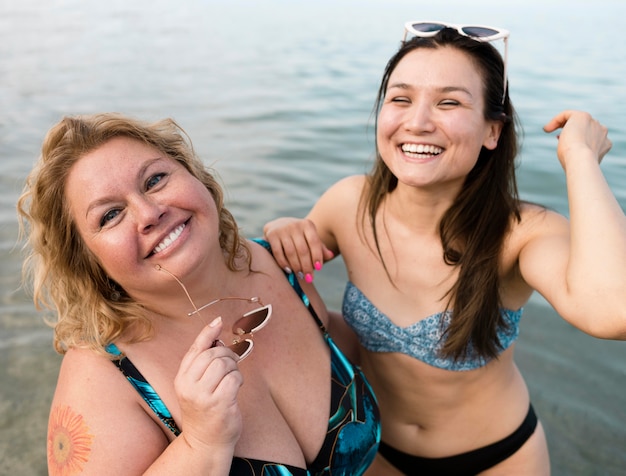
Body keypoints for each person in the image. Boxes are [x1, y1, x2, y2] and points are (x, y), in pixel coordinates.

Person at [263, 22, 626, 475]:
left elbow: (614, 312)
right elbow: (284, 297)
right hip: (375, 453)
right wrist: (280, 233)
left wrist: (581, 160)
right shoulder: (347, 204)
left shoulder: (520, 233)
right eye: (400, 98)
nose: (417, 122)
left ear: (493, 131)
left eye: (449, 102)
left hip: (496, 460)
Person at [17, 113, 381, 475]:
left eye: (155, 179)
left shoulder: (278, 265)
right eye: (110, 215)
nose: (149, 213)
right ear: (86, 260)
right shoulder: (100, 377)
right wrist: (201, 443)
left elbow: (360, 351)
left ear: (195, 175)